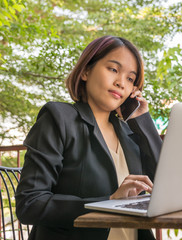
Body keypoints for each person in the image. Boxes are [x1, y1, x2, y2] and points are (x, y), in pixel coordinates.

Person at [15, 36, 162, 240]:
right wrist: (109, 201)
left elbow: (165, 185)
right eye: (113, 69)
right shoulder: (59, 118)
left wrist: (142, 121)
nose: (121, 82)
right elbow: (30, 204)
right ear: (85, 71)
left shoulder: (129, 133)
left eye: (130, 78)